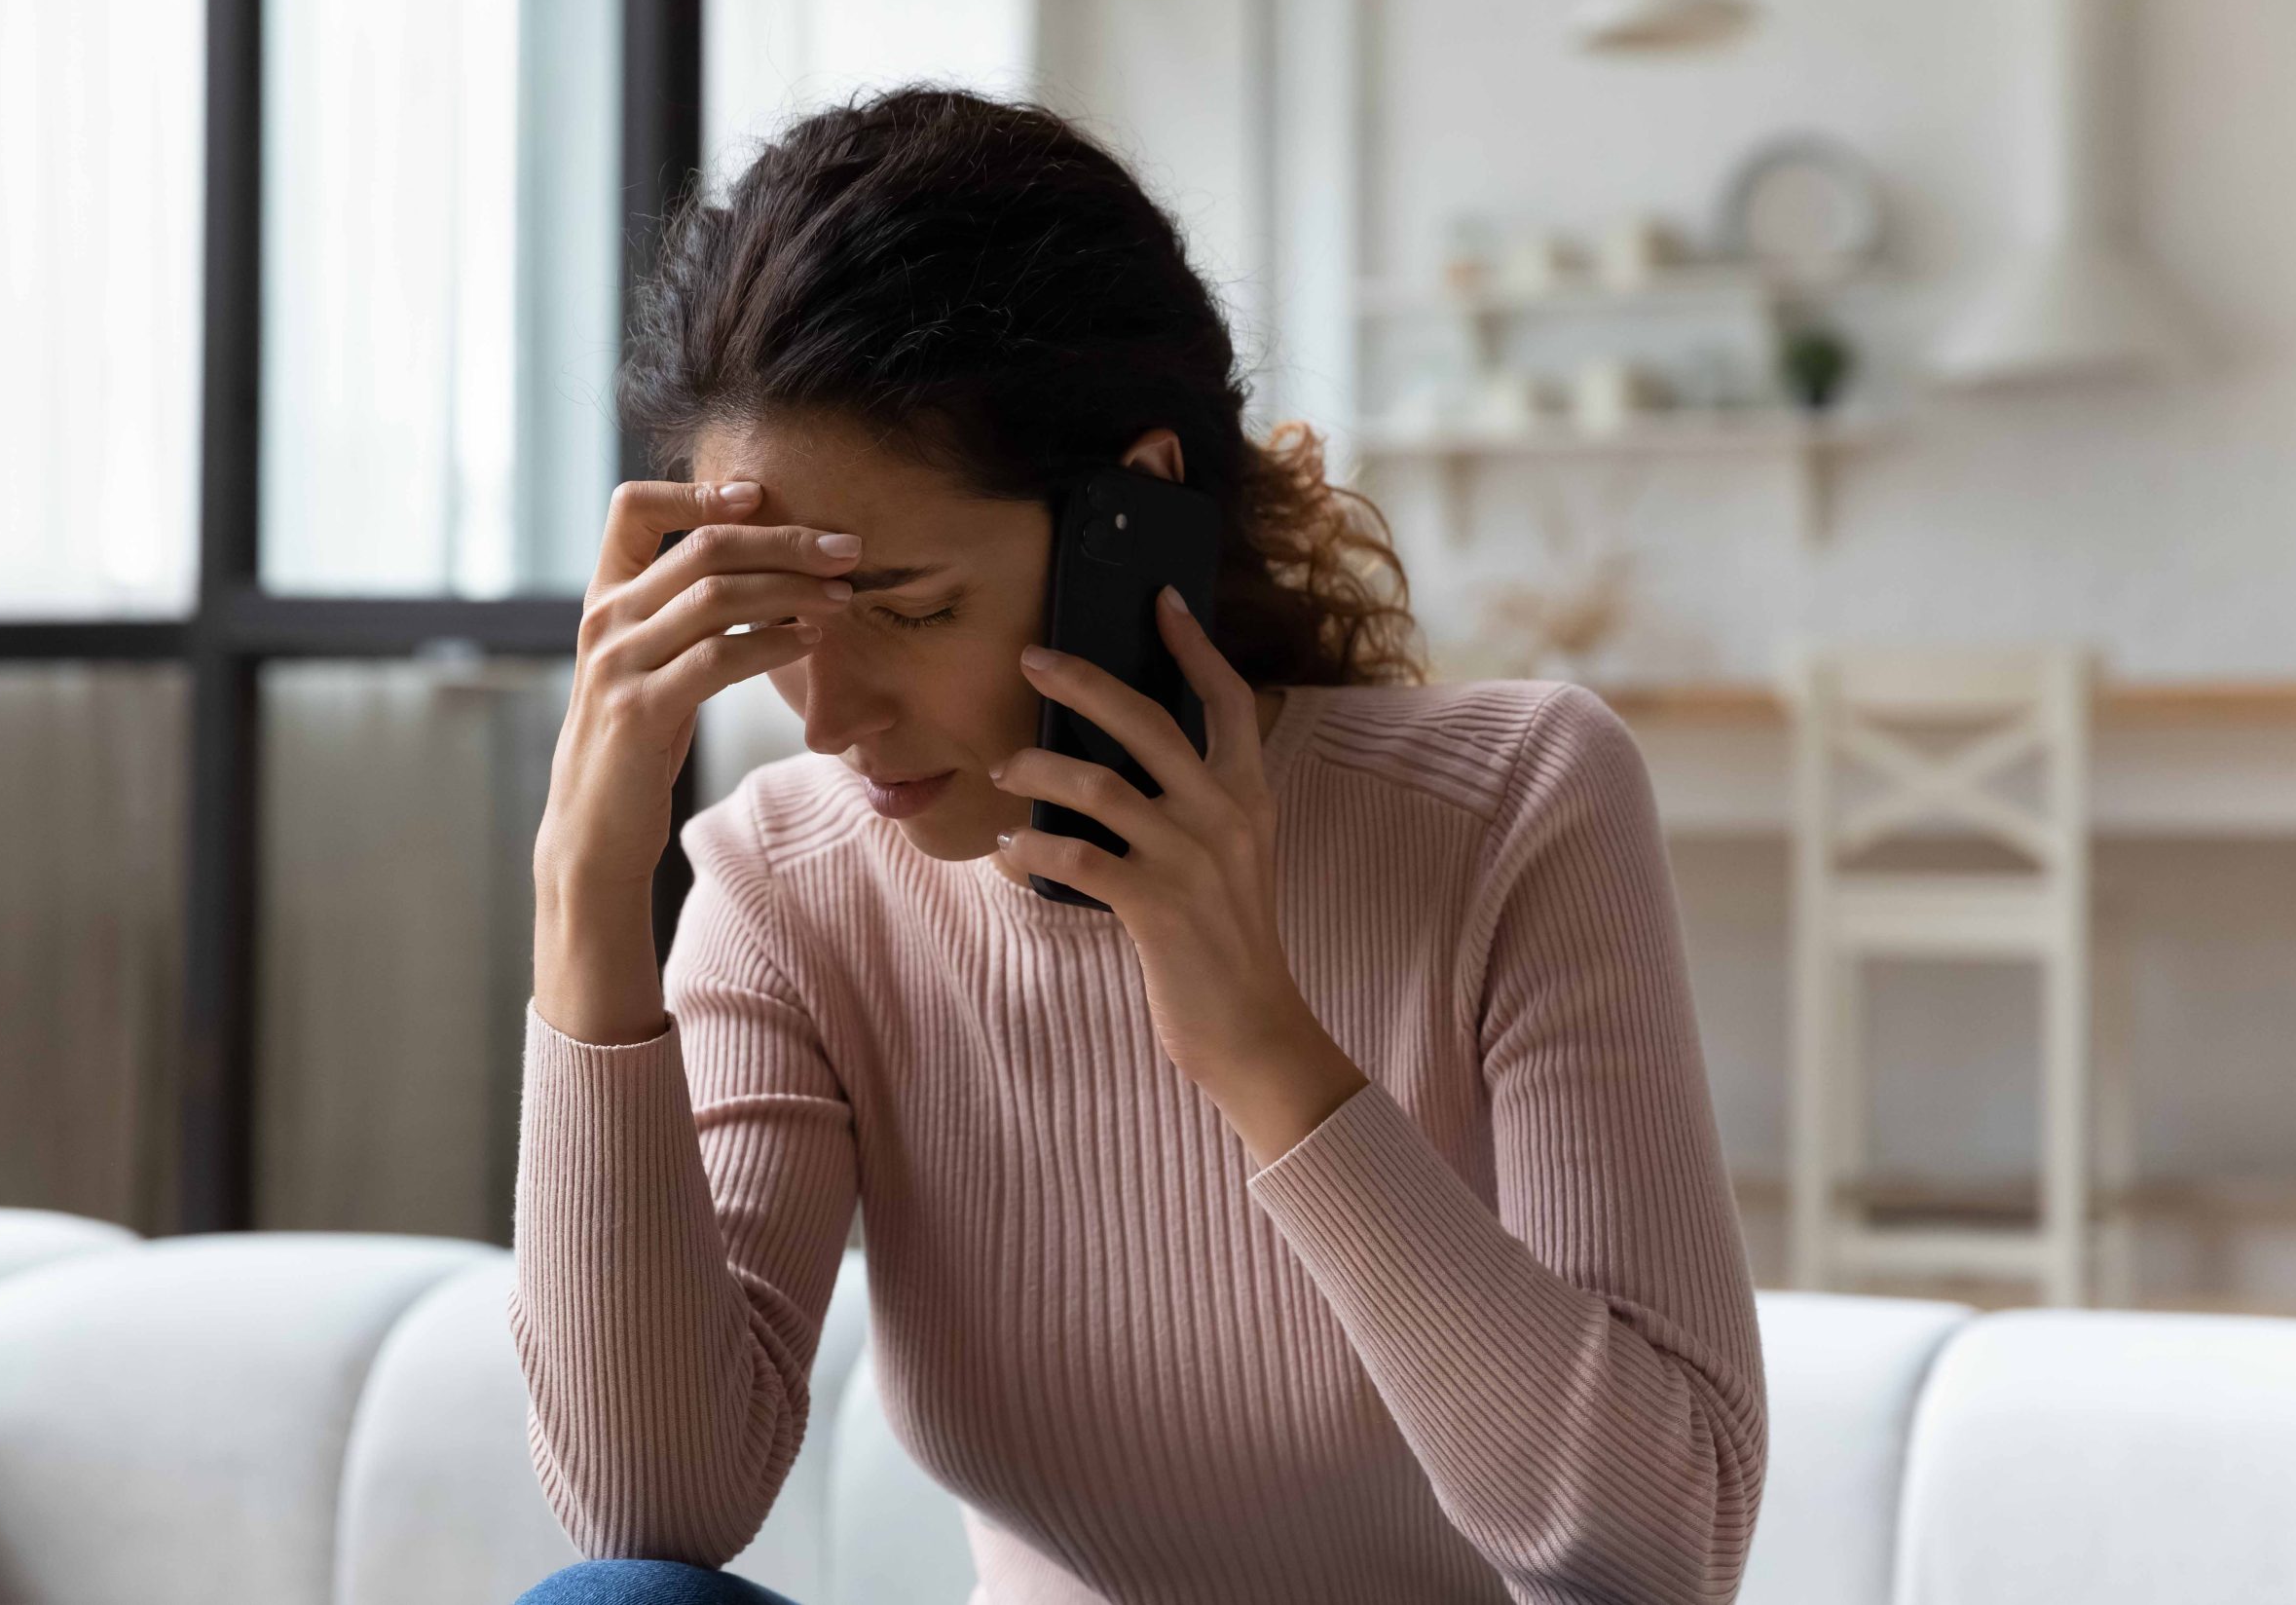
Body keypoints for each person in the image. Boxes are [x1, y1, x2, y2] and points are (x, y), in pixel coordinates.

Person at [511, 85, 1766, 1605]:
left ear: (1134, 517)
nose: (826, 714)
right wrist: (587, 903)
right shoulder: (791, 887)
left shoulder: (1512, 808)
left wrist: (1262, 1049)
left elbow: (1663, 1545)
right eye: (777, 623)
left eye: (910, 609)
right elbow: (654, 1502)